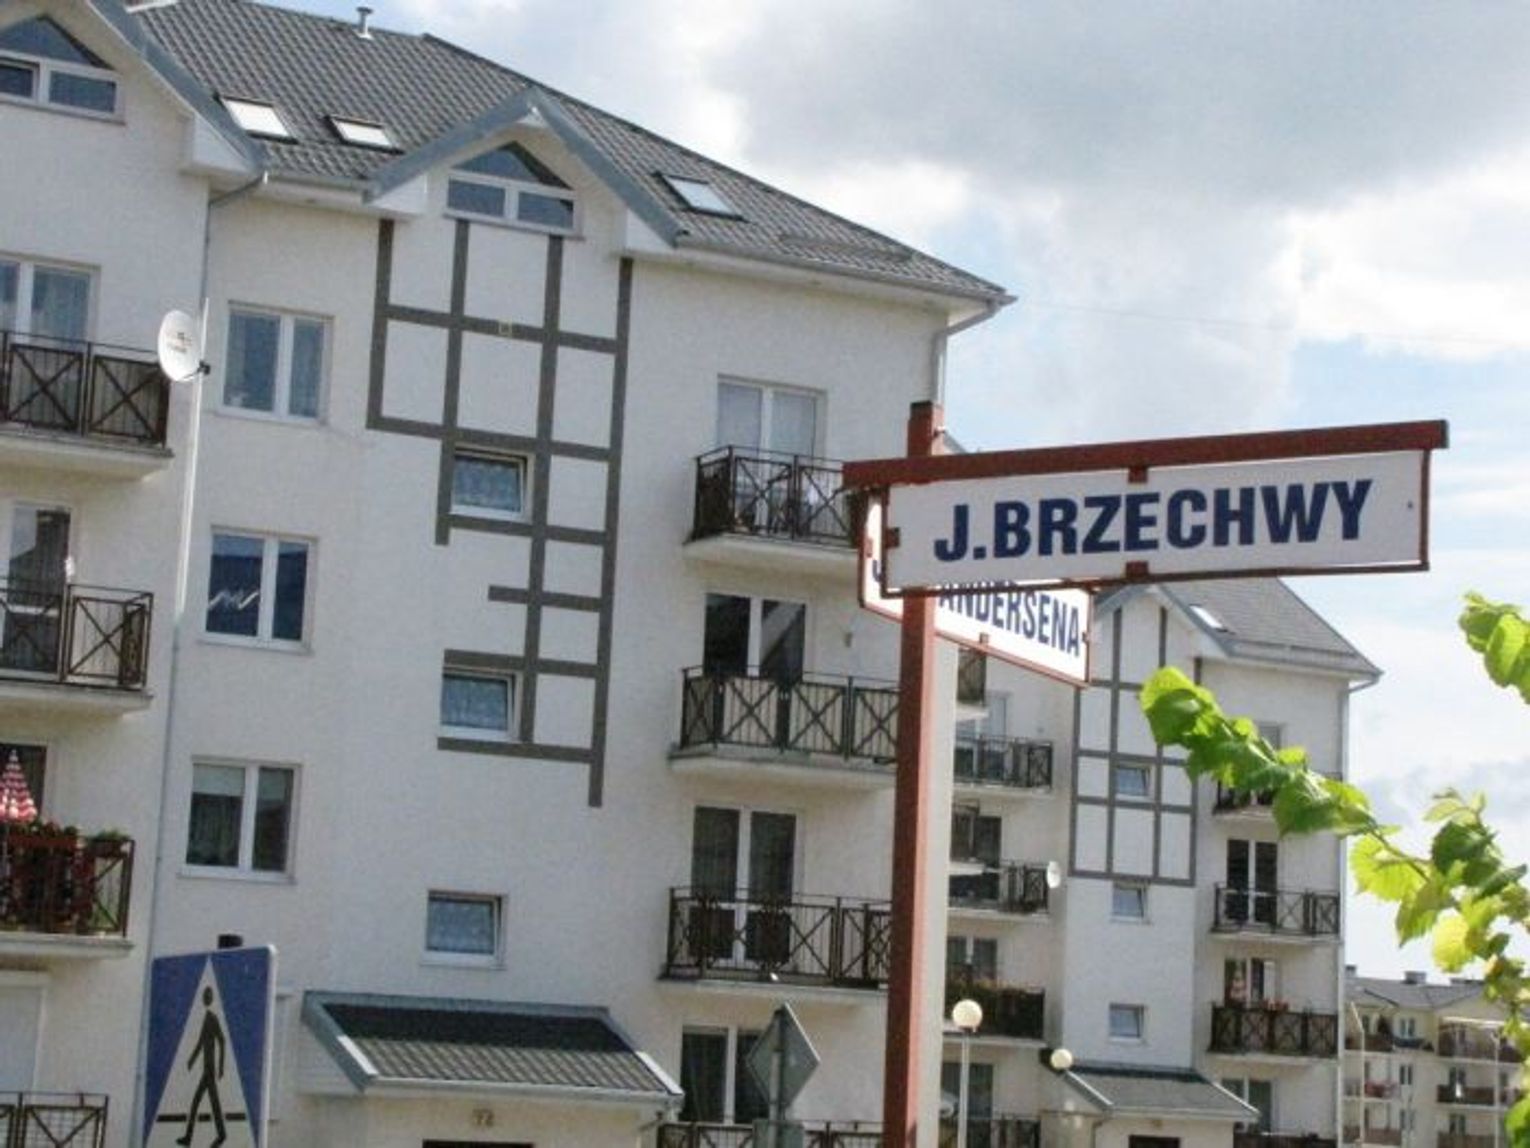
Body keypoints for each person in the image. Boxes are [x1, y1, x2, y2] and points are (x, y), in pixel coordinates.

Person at [178, 987, 227, 1147]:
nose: (205, 998)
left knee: (198, 1102)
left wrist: (221, 1067)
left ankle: (191, 1137)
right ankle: (220, 1134)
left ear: (211, 998)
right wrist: (191, 1060)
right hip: (207, 1069)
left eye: (208, 996)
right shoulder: (206, 1018)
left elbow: (222, 1040)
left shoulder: (212, 1018)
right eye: (205, 995)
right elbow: (201, 1042)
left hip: (210, 1070)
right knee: (212, 1103)